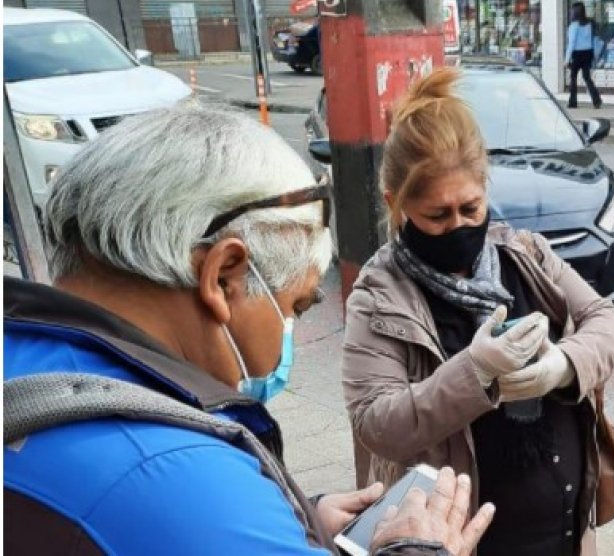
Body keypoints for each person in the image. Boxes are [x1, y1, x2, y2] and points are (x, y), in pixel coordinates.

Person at [4, 105, 493, 556]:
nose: (289, 333)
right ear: (223, 277)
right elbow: (182, 515)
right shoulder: (196, 492)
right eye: (295, 307)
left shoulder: (20, 352)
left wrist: (292, 522)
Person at [342, 67, 614, 556]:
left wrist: (561, 366)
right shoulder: (379, 296)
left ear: (486, 188)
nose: (459, 226)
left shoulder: (525, 253)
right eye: (437, 215)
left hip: (565, 534)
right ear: (397, 204)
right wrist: (475, 372)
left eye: (471, 208)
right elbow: (377, 425)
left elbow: (607, 320)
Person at [564, 2, 603, 109]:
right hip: (588, 53)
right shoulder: (589, 24)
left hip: (577, 54)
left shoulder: (573, 26)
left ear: (574, 12)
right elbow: (594, 39)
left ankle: (573, 101)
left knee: (573, 77)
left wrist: (566, 59)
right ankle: (596, 100)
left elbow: (571, 43)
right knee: (587, 77)